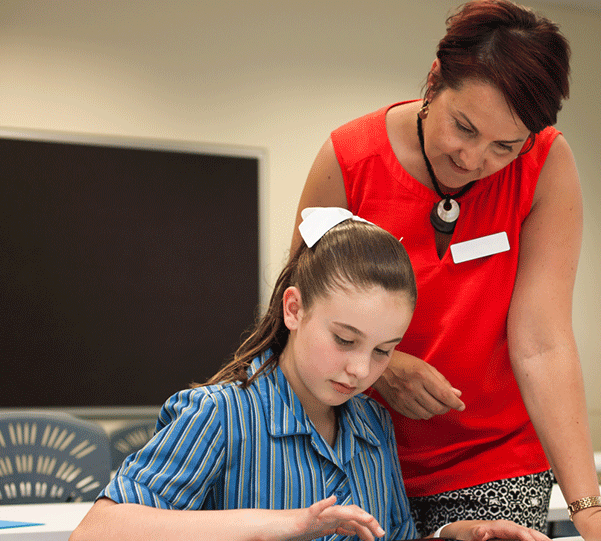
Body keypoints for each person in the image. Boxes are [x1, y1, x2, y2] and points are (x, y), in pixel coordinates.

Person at [291, 3, 601, 541]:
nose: (472, 159)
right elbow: (299, 313)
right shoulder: (349, 159)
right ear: (434, 80)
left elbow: (543, 341)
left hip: (494, 459)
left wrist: (589, 510)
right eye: (463, 127)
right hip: (356, 448)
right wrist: (385, 365)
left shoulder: (546, 166)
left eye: (504, 147)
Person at [70, 208, 550, 541]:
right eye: (344, 340)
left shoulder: (371, 424)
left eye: (385, 350)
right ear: (294, 309)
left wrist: (455, 535)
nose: (361, 370)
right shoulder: (220, 414)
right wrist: (292, 524)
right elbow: (100, 530)